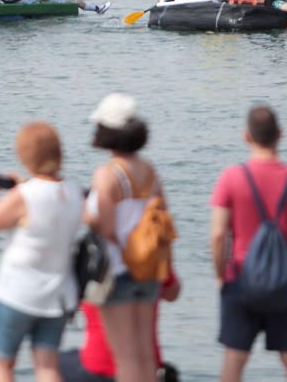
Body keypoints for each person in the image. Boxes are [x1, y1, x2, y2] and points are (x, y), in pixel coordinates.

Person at [210, 105, 287, 382]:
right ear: (280, 134)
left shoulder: (231, 178)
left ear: (246, 136)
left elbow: (218, 235)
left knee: (234, 362)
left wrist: (221, 275)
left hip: (240, 279)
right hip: (286, 283)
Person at [0, 121, 84, 382]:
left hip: (18, 294)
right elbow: (46, 204)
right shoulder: (74, 191)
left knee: (0, 364)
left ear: (24, 156)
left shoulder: (24, 196)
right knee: (47, 366)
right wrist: (24, 186)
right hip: (58, 296)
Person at [86, 93, 165, 382]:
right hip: (148, 269)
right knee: (145, 353)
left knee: (125, 357)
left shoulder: (107, 175)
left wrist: (85, 214)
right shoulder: (150, 172)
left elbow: (105, 228)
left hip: (119, 270)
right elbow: (162, 219)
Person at [58, 271, 181, 382]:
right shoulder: (151, 255)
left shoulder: (94, 258)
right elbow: (173, 292)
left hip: (99, 364)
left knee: (49, 366)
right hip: (148, 367)